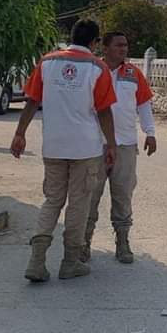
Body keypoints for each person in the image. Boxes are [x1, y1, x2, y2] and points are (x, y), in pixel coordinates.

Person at [11, 19, 118, 283]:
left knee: (52, 200)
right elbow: (104, 111)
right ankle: (70, 262)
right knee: (79, 204)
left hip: (53, 145)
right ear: (94, 42)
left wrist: (20, 133)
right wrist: (111, 144)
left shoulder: (47, 62)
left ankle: (36, 261)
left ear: (71, 37)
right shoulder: (98, 68)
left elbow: (32, 100)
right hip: (85, 148)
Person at [83, 31, 157, 265]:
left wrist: (150, 132)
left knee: (123, 195)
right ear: (105, 48)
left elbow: (143, 104)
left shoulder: (133, 74)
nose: (123, 49)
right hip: (94, 145)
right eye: (118, 45)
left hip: (125, 145)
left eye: (125, 45)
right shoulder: (93, 70)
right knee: (89, 195)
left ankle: (122, 242)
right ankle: (83, 243)